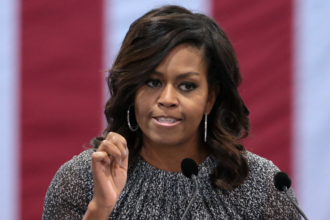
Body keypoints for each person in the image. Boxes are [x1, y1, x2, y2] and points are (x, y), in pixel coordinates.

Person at [42, 5, 300, 220]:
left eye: (187, 86)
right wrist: (100, 209)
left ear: (210, 98)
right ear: (132, 90)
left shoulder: (262, 184)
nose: (167, 99)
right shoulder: (80, 179)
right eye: (152, 82)